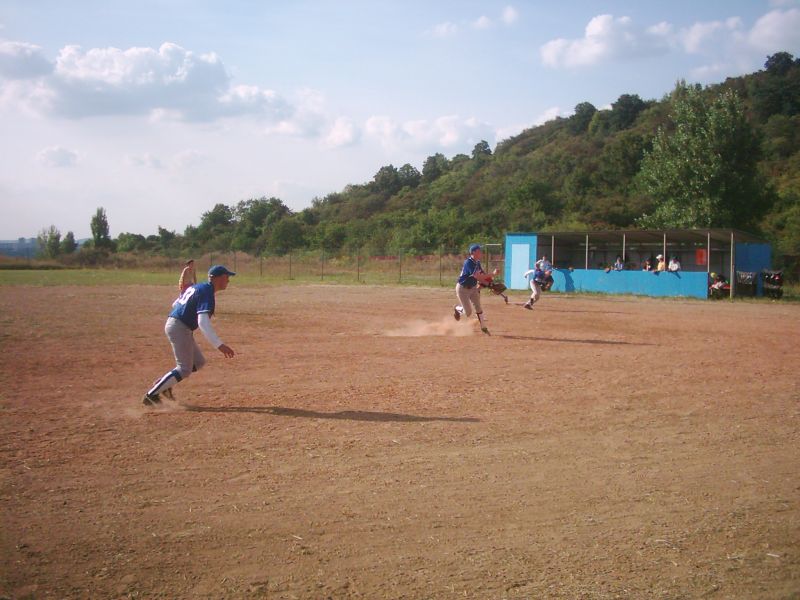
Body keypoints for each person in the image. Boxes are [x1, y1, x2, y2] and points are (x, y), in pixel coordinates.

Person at [143, 265, 236, 406]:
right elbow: (203, 322)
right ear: (215, 278)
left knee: (198, 362)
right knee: (184, 368)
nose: (228, 280)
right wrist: (219, 345)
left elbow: (176, 303)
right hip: (179, 327)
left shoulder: (200, 288)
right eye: (225, 277)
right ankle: (151, 396)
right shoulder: (206, 292)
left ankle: (164, 385)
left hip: (179, 326)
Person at [453, 243, 493, 335]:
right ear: (473, 252)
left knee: (478, 306)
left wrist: (490, 283)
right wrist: (493, 274)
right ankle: (456, 308)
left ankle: (484, 327)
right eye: (479, 251)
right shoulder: (469, 263)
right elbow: (478, 277)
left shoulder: (477, 263)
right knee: (468, 312)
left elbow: (482, 275)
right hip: (462, 289)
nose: (481, 253)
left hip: (473, 288)